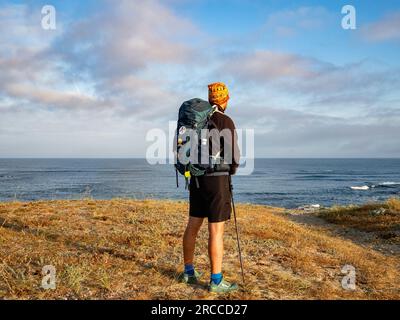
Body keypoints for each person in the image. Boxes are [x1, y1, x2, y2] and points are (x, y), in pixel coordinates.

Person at [179, 82, 240, 293]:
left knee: (193, 225)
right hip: (216, 180)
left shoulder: (195, 119)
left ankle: (188, 272)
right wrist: (231, 170)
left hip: (195, 177)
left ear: (209, 98)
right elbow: (234, 154)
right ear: (226, 99)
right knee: (216, 230)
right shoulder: (224, 120)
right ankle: (216, 280)